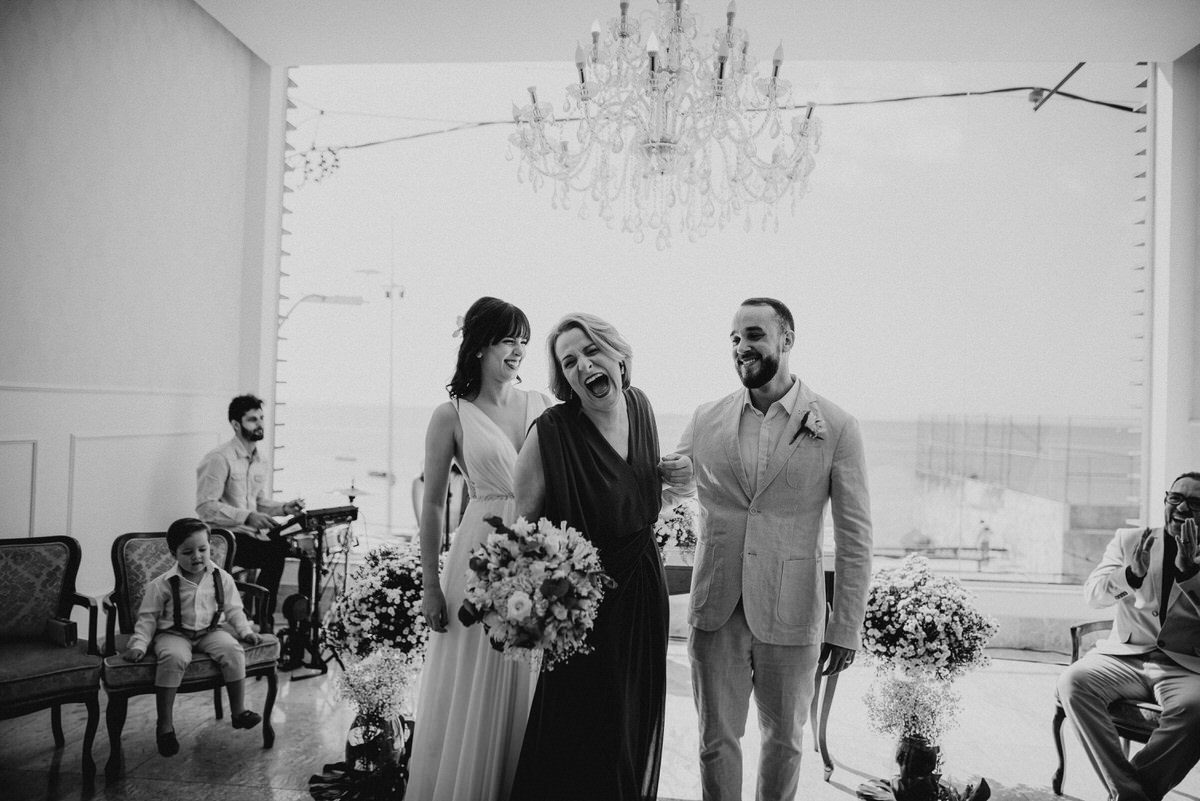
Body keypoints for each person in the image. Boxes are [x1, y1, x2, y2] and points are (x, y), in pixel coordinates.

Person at [665, 297, 873, 801]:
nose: (742, 346)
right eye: (735, 338)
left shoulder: (837, 426)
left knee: (784, 742)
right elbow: (672, 489)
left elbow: (855, 537)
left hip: (794, 611)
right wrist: (667, 476)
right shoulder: (706, 418)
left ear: (787, 339)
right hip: (716, 609)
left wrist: (846, 626)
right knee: (715, 741)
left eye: (754, 335)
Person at [506, 312, 676, 801]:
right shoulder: (552, 431)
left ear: (618, 357)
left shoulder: (641, 407)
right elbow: (525, 530)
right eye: (569, 361)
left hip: (644, 588)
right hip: (584, 602)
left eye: (592, 350)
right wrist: (540, 607)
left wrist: (678, 480)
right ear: (565, 379)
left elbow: (641, 499)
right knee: (584, 727)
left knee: (632, 718)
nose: (583, 365)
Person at [408, 297, 553, 801]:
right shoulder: (450, 415)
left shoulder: (542, 405)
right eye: (508, 340)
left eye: (524, 342)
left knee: (525, 675)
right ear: (478, 346)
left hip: (536, 550)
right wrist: (430, 585)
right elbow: (432, 504)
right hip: (478, 552)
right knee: (475, 676)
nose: (518, 351)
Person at [1056, 472, 1200, 801]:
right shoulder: (1130, 539)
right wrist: (1130, 575)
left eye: (1195, 503)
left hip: (1187, 666)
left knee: (1197, 710)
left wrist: (1191, 574)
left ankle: (1127, 794)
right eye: (1176, 498)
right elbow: (1093, 595)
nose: (1182, 508)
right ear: (1165, 501)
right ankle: (1130, 793)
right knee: (1073, 682)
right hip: (1125, 657)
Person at [121, 517, 262, 757]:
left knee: (233, 650)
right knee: (173, 657)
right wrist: (139, 645)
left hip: (210, 631)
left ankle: (238, 711)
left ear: (210, 547)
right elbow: (148, 619)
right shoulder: (162, 584)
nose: (196, 556)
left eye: (202, 549)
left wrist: (245, 631)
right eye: (187, 552)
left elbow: (234, 609)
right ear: (173, 554)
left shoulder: (221, 578)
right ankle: (165, 725)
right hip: (173, 633)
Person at [196, 394, 306, 626]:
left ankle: (299, 622)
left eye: (261, 418)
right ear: (236, 424)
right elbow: (205, 507)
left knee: (298, 548)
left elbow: (257, 501)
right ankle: (263, 620)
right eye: (252, 419)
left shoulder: (260, 460)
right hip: (223, 538)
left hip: (250, 535)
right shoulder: (218, 458)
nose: (260, 424)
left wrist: (284, 508)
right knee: (275, 551)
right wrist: (247, 517)